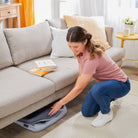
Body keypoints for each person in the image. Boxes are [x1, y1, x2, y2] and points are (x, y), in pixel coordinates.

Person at [48, 26, 130, 127]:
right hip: (105, 86)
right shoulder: (80, 53)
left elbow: (80, 88)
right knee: (87, 112)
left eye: (75, 47)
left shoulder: (92, 57)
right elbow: (81, 75)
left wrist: (61, 102)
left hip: (122, 84)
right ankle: (110, 97)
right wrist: (74, 89)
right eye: (70, 46)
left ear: (85, 41)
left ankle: (107, 114)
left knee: (96, 89)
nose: (73, 50)